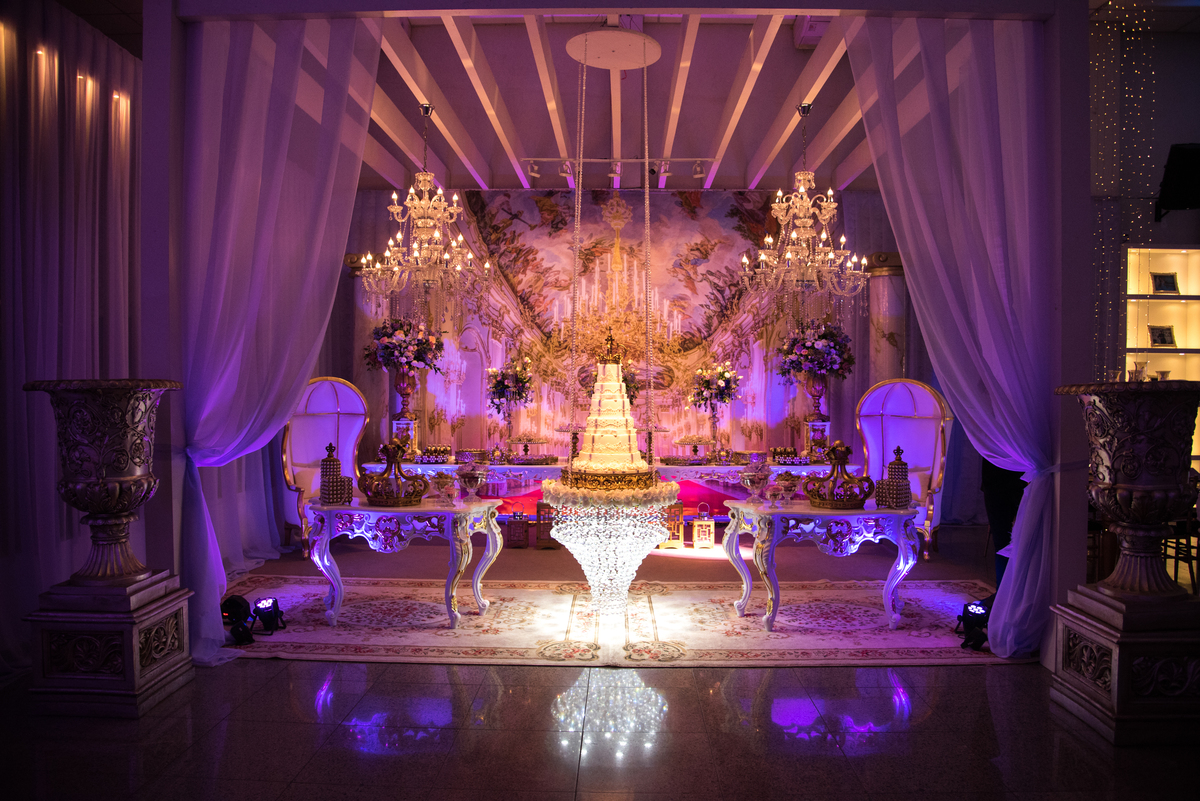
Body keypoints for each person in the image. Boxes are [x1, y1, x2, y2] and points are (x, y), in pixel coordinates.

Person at [981, 457, 1026, 588]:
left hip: (1021, 479)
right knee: (1001, 542)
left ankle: (1015, 590)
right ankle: (1002, 591)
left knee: (1025, 539)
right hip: (996, 480)